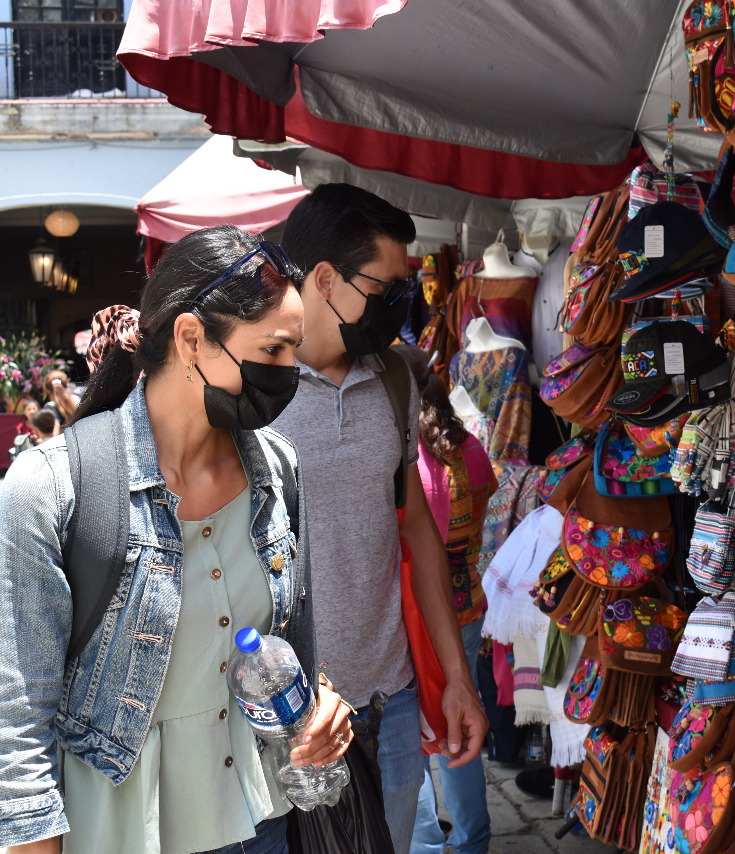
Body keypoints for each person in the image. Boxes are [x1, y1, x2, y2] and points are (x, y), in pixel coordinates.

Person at [0, 226, 354, 854]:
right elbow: (18, 718)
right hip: (113, 834)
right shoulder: (50, 487)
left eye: (293, 351)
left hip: (261, 823)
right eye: (272, 350)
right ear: (191, 338)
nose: (288, 373)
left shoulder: (278, 469)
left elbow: (286, 645)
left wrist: (316, 710)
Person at [277, 183, 488, 854]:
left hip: (388, 698)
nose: (402, 304)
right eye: (388, 287)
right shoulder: (252, 386)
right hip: (289, 714)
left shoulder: (395, 376)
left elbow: (416, 528)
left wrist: (457, 677)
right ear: (325, 279)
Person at [407, 365, 497, 854]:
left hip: (424, 618)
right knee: (461, 730)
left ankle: (424, 844)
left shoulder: (416, 461)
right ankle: (471, 841)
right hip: (468, 607)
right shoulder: (472, 451)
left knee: (418, 735)